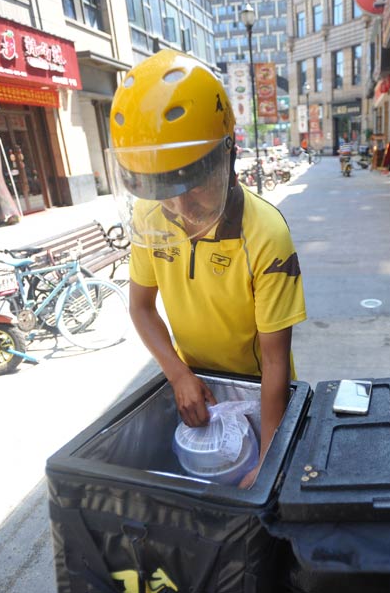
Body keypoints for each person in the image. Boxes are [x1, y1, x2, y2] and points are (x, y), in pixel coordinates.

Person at [108, 50, 307, 489]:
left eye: (192, 184)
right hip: (199, 383)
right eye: (163, 190)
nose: (179, 208)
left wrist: (269, 460)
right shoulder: (149, 217)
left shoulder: (266, 235)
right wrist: (178, 374)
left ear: (227, 157)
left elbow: (275, 359)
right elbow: (141, 307)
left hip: (261, 393)